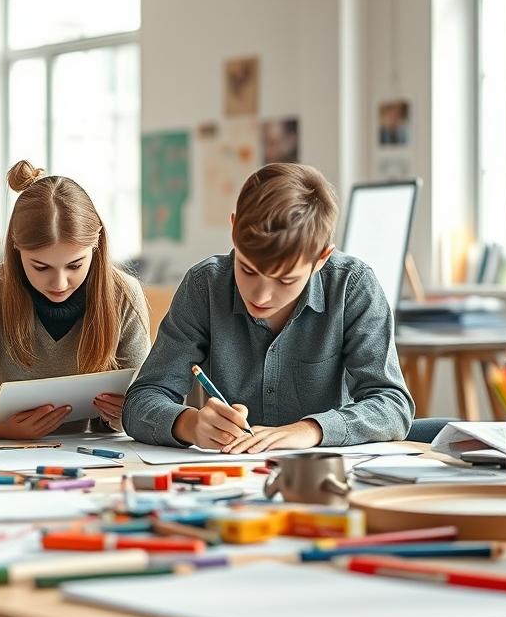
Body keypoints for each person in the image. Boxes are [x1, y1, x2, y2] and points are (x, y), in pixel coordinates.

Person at [123, 162, 413, 453]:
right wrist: (190, 424)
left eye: (286, 280)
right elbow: (141, 401)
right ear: (234, 228)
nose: (261, 295)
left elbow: (392, 405)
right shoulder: (205, 286)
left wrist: (310, 430)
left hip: (319, 477)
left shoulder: (352, 286)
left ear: (322, 258)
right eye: (247, 270)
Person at [0, 161, 150, 440]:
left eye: (74, 265)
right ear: (16, 246)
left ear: (96, 245)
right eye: (41, 267)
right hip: (5, 456)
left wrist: (128, 414)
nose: (59, 284)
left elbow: (149, 404)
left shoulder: (124, 295)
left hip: (94, 457)